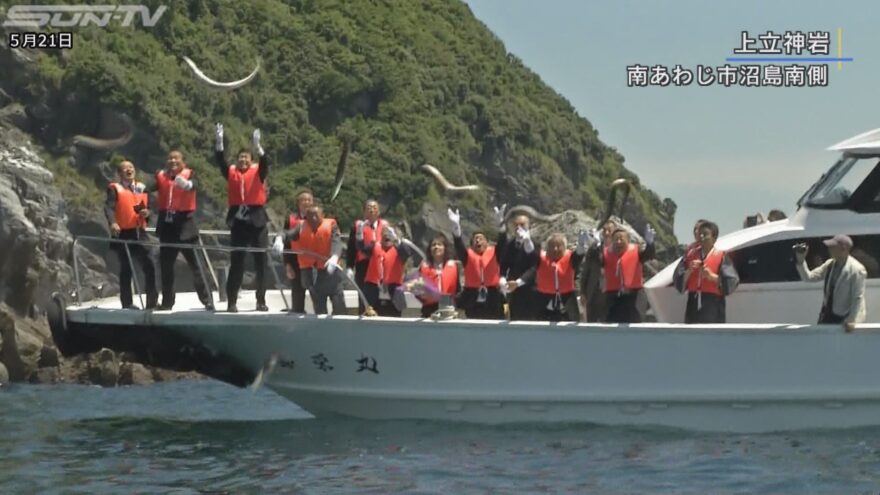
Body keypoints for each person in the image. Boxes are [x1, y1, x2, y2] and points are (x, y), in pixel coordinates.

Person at [214, 124, 269, 313]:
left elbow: (265, 162)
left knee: (261, 262)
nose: (242, 160)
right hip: (239, 222)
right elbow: (221, 161)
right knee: (237, 261)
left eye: (246, 157)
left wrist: (258, 146)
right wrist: (219, 142)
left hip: (257, 221)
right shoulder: (232, 173)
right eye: (240, 158)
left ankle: (260, 300)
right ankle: (231, 302)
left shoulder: (258, 172)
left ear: (252, 161)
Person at [155, 149, 213, 310]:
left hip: (186, 227)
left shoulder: (190, 174)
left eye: (176, 159)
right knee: (166, 268)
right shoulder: (161, 176)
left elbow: (197, 185)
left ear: (183, 162)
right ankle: (167, 303)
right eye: (170, 159)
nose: (173, 161)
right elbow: (145, 190)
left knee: (197, 266)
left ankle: (208, 300)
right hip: (167, 228)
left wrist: (188, 185)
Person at [104, 160, 157, 309]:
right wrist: (112, 223)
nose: (129, 170)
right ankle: (127, 303)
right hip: (123, 234)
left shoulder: (140, 189)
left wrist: (147, 213)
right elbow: (109, 208)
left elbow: (144, 209)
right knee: (126, 269)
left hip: (140, 233)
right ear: (120, 174)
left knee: (149, 265)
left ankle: (152, 302)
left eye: (131, 167)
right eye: (125, 168)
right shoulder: (115, 189)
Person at [277, 205, 346, 315]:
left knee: (339, 304)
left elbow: (337, 242)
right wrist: (279, 238)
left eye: (316, 215)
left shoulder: (332, 225)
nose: (313, 218)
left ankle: (342, 328)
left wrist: (334, 257)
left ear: (322, 216)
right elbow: (287, 233)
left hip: (329, 270)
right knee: (319, 308)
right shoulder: (301, 226)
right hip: (311, 273)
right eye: (310, 215)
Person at [795, 234, 866, 331]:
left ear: (843, 249)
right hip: (827, 315)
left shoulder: (857, 270)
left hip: (844, 318)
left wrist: (852, 320)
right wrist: (801, 260)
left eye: (833, 247)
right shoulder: (830, 264)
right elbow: (809, 277)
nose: (829, 249)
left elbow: (857, 297)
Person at [587, 224, 656, 323]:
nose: (618, 242)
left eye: (621, 239)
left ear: (628, 240)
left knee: (635, 323)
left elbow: (649, 255)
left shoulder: (637, 251)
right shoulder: (606, 254)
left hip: (634, 296)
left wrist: (650, 243)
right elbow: (594, 260)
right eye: (616, 239)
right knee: (610, 323)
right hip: (613, 298)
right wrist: (597, 245)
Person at [673, 221, 739, 323]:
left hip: (713, 303)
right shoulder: (689, 256)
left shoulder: (722, 257)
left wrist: (712, 277)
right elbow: (678, 279)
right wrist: (689, 271)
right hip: (693, 303)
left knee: (712, 336)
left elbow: (732, 281)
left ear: (714, 238)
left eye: (705, 234)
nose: (702, 237)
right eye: (700, 234)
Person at [448, 207, 505, 319]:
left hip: (493, 297)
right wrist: (456, 226)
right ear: (472, 244)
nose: (478, 241)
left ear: (487, 242)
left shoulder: (495, 253)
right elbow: (458, 245)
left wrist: (501, 223)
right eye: (475, 239)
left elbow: (503, 242)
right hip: (472, 298)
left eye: (481, 238)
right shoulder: (467, 256)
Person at [518, 232, 588, 321]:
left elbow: (579, 254)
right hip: (543, 300)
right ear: (547, 248)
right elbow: (531, 252)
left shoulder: (571, 258)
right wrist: (527, 240)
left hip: (567, 301)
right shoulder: (541, 258)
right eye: (552, 246)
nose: (555, 249)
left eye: (559, 246)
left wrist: (581, 243)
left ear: (565, 247)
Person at [359, 225, 420, 316]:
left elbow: (407, 252)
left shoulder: (400, 250)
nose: (387, 235)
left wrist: (397, 239)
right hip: (373, 291)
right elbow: (361, 248)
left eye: (390, 233)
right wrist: (359, 231)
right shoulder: (374, 247)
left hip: (394, 292)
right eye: (385, 233)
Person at [498, 209, 540, 320]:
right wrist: (502, 278)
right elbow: (504, 264)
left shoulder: (535, 243)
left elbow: (534, 268)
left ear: (528, 226)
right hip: (513, 292)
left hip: (530, 292)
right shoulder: (510, 244)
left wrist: (518, 282)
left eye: (522, 224)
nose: (518, 227)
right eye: (516, 225)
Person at [346, 199, 387, 313]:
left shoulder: (385, 227)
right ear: (364, 212)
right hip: (363, 266)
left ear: (378, 211)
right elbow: (351, 248)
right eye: (369, 208)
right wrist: (349, 266)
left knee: (380, 298)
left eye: (375, 208)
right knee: (364, 297)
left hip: (381, 265)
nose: (372, 210)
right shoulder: (358, 227)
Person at [578, 219, 617, 322]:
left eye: (609, 230)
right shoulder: (593, 249)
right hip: (593, 291)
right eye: (604, 230)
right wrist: (582, 292)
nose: (606, 233)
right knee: (591, 322)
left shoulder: (617, 249)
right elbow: (585, 271)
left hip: (610, 293)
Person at [414, 235, 461, 318]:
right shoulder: (423, 266)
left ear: (445, 248)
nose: (436, 247)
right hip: (429, 310)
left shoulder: (454, 266)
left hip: (448, 309)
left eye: (439, 244)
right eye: (433, 245)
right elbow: (417, 290)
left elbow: (458, 289)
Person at [281, 190, 313, 313]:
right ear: (298, 203)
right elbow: (286, 244)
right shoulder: (290, 219)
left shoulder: (318, 217)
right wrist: (287, 265)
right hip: (295, 259)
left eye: (309, 200)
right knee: (297, 289)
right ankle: (297, 311)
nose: (306, 202)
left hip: (313, 260)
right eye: (303, 200)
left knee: (315, 291)